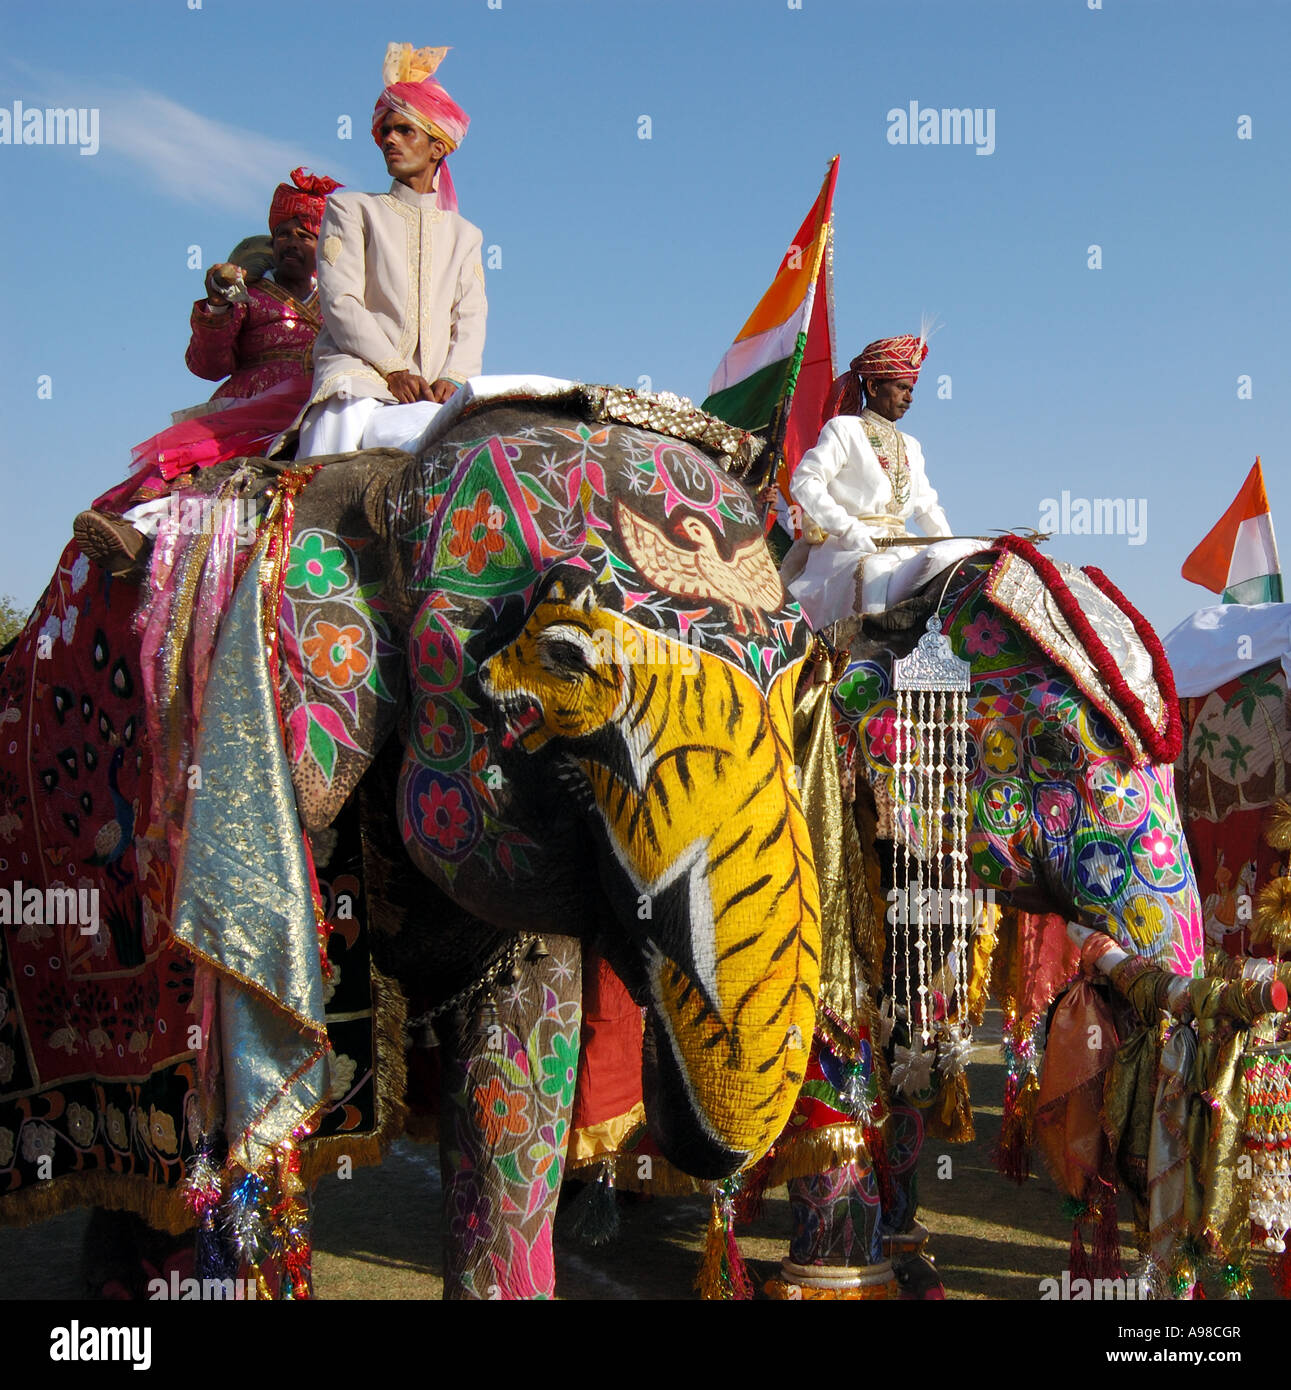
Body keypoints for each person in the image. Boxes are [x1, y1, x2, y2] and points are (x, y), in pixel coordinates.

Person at [73, 169, 341, 573]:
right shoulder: (245, 294)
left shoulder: (341, 301)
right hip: (248, 411)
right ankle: (140, 535)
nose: (291, 243)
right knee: (204, 478)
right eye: (283, 234)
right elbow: (207, 365)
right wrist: (217, 304)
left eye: (304, 236)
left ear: (322, 246)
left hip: (318, 405)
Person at [295, 43, 487, 458]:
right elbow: (340, 300)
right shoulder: (351, 209)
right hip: (358, 375)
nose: (389, 140)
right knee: (331, 452)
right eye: (385, 130)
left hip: (433, 391)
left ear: (438, 147)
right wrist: (394, 369)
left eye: (404, 130)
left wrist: (453, 379)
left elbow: (470, 319)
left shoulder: (465, 235)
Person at [785, 334, 977, 630]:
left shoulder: (912, 445)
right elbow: (805, 481)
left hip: (899, 545)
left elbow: (926, 508)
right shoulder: (843, 429)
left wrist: (954, 546)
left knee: (947, 570)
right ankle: (861, 661)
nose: (910, 397)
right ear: (873, 387)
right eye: (902, 387)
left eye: (911, 389)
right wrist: (849, 529)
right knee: (875, 570)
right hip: (845, 549)